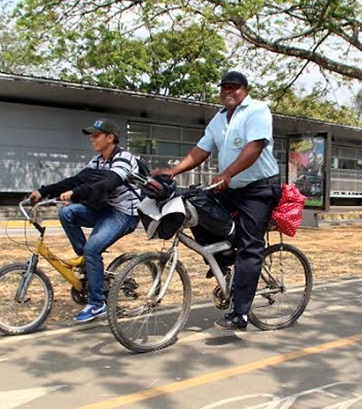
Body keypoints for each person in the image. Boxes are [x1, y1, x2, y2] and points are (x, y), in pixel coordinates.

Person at [152, 71, 281, 331]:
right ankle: (222, 260)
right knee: (196, 206)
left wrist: (228, 173)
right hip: (231, 186)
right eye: (225, 88)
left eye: (234, 87)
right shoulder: (219, 118)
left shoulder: (257, 110)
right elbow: (201, 150)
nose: (229, 92)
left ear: (245, 90)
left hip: (259, 189)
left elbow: (254, 147)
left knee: (249, 246)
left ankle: (241, 313)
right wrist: (174, 171)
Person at [28, 119, 144, 322]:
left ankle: (97, 303)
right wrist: (43, 191)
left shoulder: (124, 159)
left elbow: (108, 184)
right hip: (104, 209)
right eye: (91, 135)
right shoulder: (97, 161)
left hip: (124, 214)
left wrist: (75, 193)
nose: (92, 139)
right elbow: (76, 180)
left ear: (110, 138)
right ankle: (88, 264)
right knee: (67, 213)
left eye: (96, 135)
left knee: (93, 248)